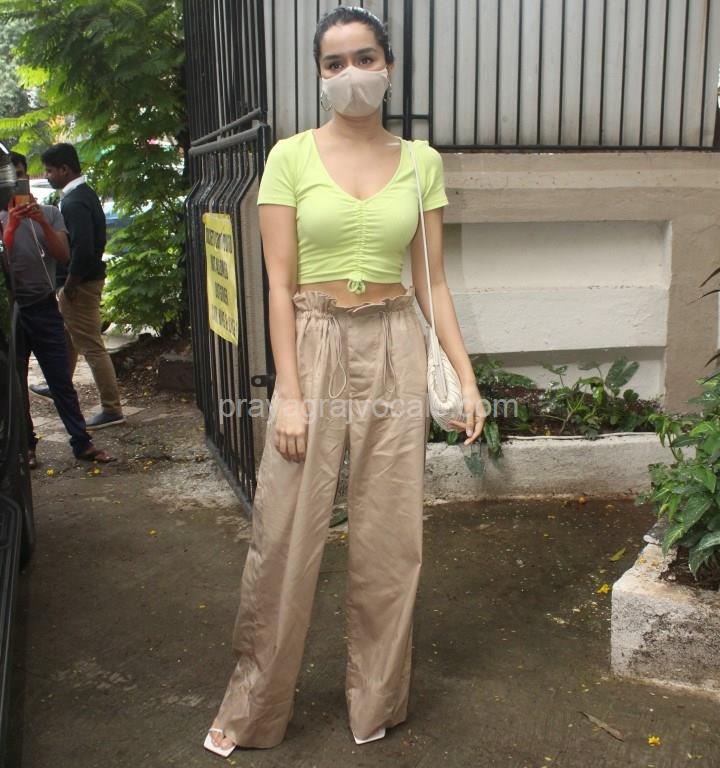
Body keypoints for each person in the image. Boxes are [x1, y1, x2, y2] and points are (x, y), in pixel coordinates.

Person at [204, 6, 486, 757]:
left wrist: (465, 377)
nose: (351, 73)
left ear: (387, 65)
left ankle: (377, 702)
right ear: (319, 75)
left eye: (364, 58)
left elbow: (433, 284)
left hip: (395, 339)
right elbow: (277, 285)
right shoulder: (290, 157)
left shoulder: (421, 162)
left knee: (391, 535)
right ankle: (254, 708)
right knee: (284, 532)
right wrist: (291, 394)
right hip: (315, 339)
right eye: (334, 63)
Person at [0, 150, 115, 465]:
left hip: (43, 305)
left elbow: (63, 255)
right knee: (15, 384)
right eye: (10, 178)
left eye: (20, 175)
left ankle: (81, 442)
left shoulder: (50, 212)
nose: (16, 182)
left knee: (60, 379)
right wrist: (11, 226)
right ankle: (27, 446)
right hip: (12, 311)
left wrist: (40, 222)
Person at [37, 142, 125, 430]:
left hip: (81, 283)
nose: (47, 175)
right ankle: (59, 384)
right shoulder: (82, 194)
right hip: (81, 280)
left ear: (64, 169)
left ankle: (112, 408)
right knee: (67, 337)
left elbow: (84, 249)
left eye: (49, 170)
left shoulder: (74, 202)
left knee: (91, 346)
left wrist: (71, 283)